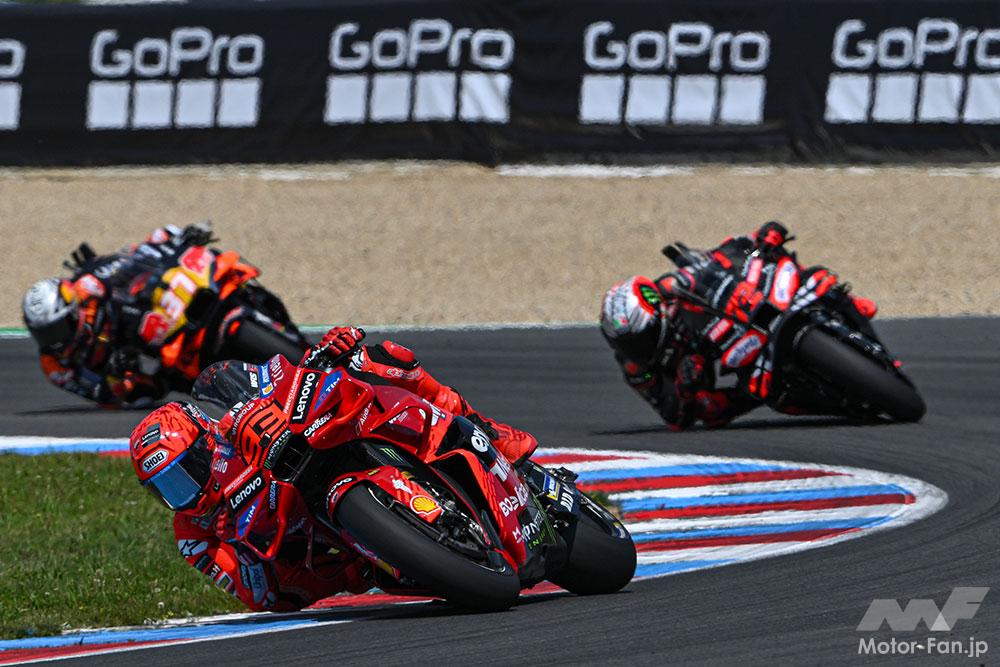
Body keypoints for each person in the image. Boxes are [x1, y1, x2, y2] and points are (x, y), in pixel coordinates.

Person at [129, 326, 537, 612]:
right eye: (166, 488)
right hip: (332, 553)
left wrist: (321, 358)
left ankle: (488, 431)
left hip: (320, 446)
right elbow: (262, 596)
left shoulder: (231, 429)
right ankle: (392, 553)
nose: (183, 492)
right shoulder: (194, 533)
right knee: (289, 587)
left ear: (205, 442)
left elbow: (273, 380)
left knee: (381, 359)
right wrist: (246, 549)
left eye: (185, 472)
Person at [599, 221, 878, 430]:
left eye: (640, 337)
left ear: (657, 313)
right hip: (719, 356)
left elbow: (715, 260)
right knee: (713, 408)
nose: (635, 348)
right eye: (625, 343)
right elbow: (673, 417)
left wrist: (759, 241)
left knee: (817, 277)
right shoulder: (635, 366)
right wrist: (685, 388)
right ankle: (830, 400)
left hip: (736, 318)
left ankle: (850, 307)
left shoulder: (671, 288)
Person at [21, 223, 215, 407]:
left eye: (56, 329)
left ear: (72, 312)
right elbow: (98, 393)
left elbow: (130, 258)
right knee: (142, 395)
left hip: (134, 319)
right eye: (43, 334)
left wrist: (174, 241)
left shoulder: (87, 287)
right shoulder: (54, 366)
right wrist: (114, 374)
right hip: (121, 362)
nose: (53, 340)